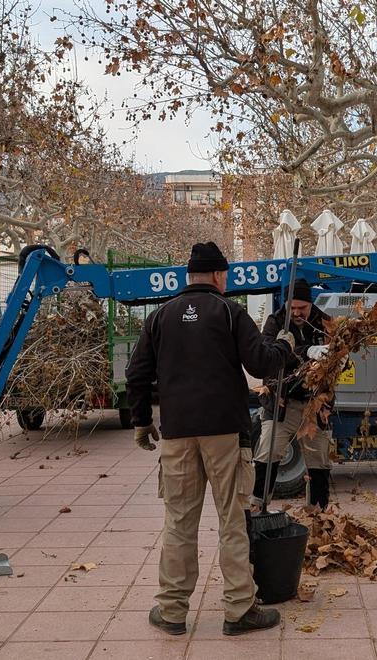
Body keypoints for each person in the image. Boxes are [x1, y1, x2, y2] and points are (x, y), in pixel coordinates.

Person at [126, 241, 296, 637]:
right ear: (220, 275)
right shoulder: (229, 312)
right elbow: (261, 362)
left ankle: (171, 611)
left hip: (177, 434)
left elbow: (137, 374)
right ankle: (239, 609)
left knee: (179, 522)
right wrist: (284, 347)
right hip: (225, 433)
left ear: (188, 276)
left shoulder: (160, 317)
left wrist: (140, 422)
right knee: (232, 521)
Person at [252, 278, 334, 510]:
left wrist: (341, 359)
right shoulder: (275, 322)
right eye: (293, 307)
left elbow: (337, 354)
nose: (297, 312)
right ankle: (259, 509)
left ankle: (319, 513)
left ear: (311, 304)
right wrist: (307, 350)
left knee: (319, 461)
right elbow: (269, 353)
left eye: (302, 308)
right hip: (281, 405)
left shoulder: (325, 322)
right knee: (267, 455)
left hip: (315, 407)